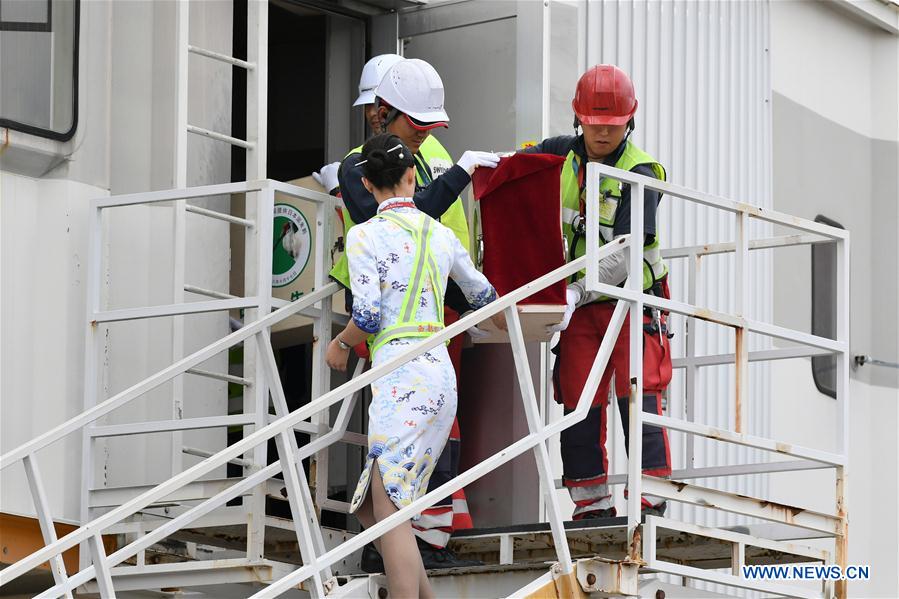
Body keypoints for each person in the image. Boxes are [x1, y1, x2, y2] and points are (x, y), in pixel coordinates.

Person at [331, 58, 498, 569]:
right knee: (398, 430)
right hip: (388, 318)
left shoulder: (434, 154)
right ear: (382, 112)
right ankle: (402, 545)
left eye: (430, 128)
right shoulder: (358, 167)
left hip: (437, 311)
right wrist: (461, 174)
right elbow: (407, 219)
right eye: (416, 126)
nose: (424, 138)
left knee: (434, 427)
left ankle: (429, 537)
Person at [523, 64, 673, 519]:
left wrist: (573, 293)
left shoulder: (641, 171)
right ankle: (591, 505)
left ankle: (649, 500)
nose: (602, 133)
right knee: (578, 400)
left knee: (639, 394)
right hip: (581, 308)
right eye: (594, 123)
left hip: (631, 302)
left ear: (630, 120)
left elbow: (627, 254)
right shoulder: (557, 156)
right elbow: (517, 170)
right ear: (578, 118)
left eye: (611, 125)